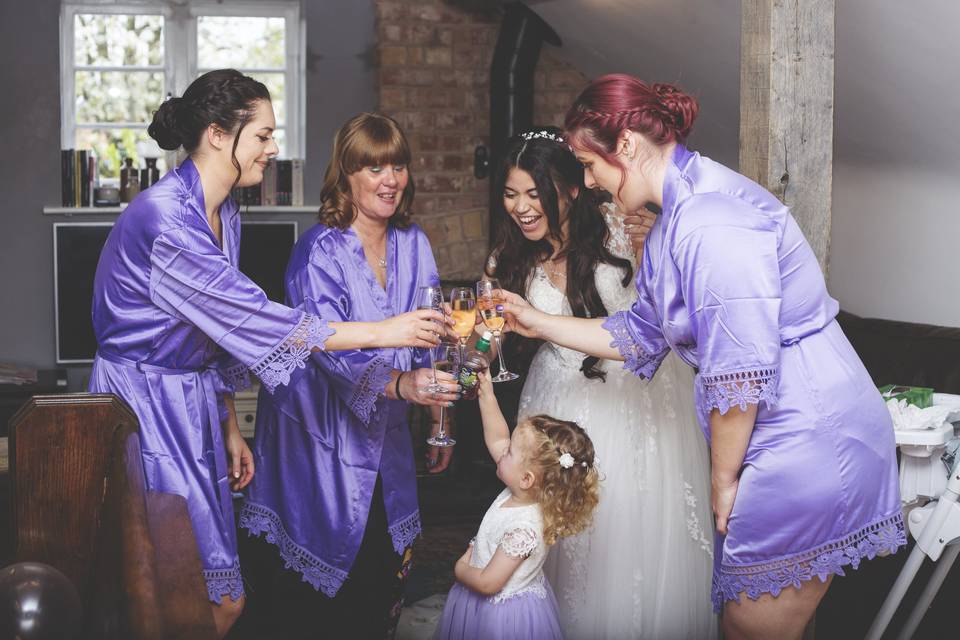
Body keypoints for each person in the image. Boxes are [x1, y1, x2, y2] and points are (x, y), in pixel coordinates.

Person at [498, 74, 904, 640]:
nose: (588, 183)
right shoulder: (675, 217)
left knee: (749, 626)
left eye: (591, 166)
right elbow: (638, 334)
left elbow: (738, 372)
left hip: (807, 430)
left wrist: (721, 479)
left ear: (629, 147)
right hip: (776, 429)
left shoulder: (710, 219)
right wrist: (535, 319)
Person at [88, 72, 448, 639]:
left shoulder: (224, 212)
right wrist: (385, 331)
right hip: (145, 406)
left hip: (195, 401)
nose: (273, 148)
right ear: (216, 134)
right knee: (181, 588)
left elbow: (216, 335)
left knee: (202, 589)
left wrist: (230, 425)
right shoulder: (164, 219)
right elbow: (260, 320)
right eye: (263, 135)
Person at [487, 127, 716, 638]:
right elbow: (497, 337)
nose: (521, 207)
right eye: (510, 194)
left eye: (534, 192)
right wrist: (483, 341)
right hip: (555, 399)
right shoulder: (510, 256)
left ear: (572, 188)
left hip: (638, 398)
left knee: (628, 529)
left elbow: (668, 316)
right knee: (557, 539)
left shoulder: (627, 228)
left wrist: (650, 241)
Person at [239, 113, 460, 639]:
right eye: (374, 167)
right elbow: (324, 350)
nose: (390, 180)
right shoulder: (318, 250)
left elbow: (432, 331)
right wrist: (401, 385)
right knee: (325, 584)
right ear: (347, 174)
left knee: (384, 567)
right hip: (314, 436)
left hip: (385, 432)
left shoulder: (414, 241)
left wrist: (436, 417)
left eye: (398, 166)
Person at [434, 370, 600, 640]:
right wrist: (486, 393)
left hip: (499, 619)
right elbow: (497, 437)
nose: (503, 449)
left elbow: (488, 583)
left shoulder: (524, 527)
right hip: (483, 603)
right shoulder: (522, 488)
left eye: (510, 450)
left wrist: (460, 567)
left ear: (526, 478)